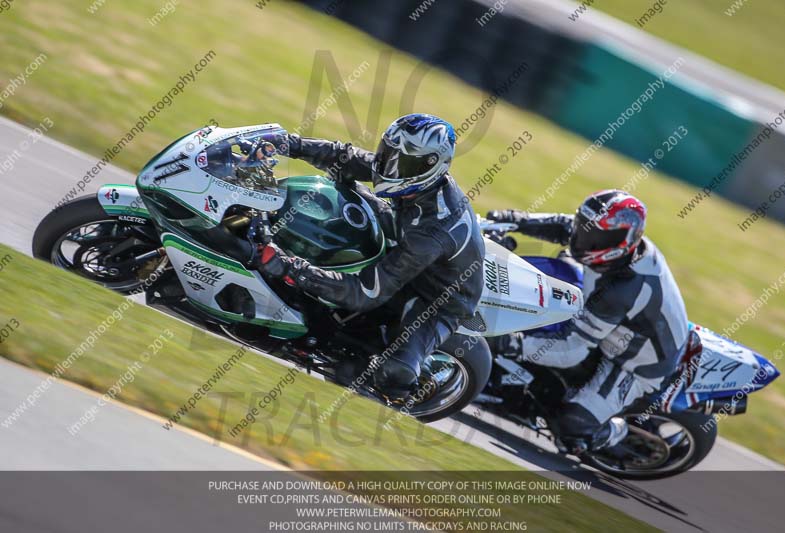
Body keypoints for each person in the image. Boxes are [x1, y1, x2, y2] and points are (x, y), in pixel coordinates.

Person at [258, 114, 485, 397]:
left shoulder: (433, 229)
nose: (390, 167)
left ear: (430, 166)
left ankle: (395, 398)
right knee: (338, 190)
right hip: (404, 241)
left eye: (402, 162)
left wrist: (291, 268)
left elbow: (367, 292)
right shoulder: (410, 178)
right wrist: (287, 144)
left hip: (437, 298)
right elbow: (344, 157)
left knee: (394, 373)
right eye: (388, 154)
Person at [487, 190, 689, 451]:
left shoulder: (621, 290)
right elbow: (566, 226)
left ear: (625, 241)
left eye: (597, 236)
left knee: (572, 427)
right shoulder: (612, 245)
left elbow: (572, 349)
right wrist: (514, 220)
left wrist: (509, 343)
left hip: (635, 363)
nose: (584, 239)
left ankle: (620, 434)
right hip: (609, 319)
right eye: (586, 228)